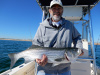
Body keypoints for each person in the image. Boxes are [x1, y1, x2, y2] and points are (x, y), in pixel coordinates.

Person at [32, 0, 84, 75]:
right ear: (50, 11)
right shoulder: (42, 26)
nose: (56, 10)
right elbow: (36, 44)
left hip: (64, 70)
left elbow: (77, 37)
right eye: (54, 8)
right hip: (44, 70)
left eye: (59, 8)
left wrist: (79, 48)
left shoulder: (69, 25)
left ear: (62, 10)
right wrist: (37, 59)